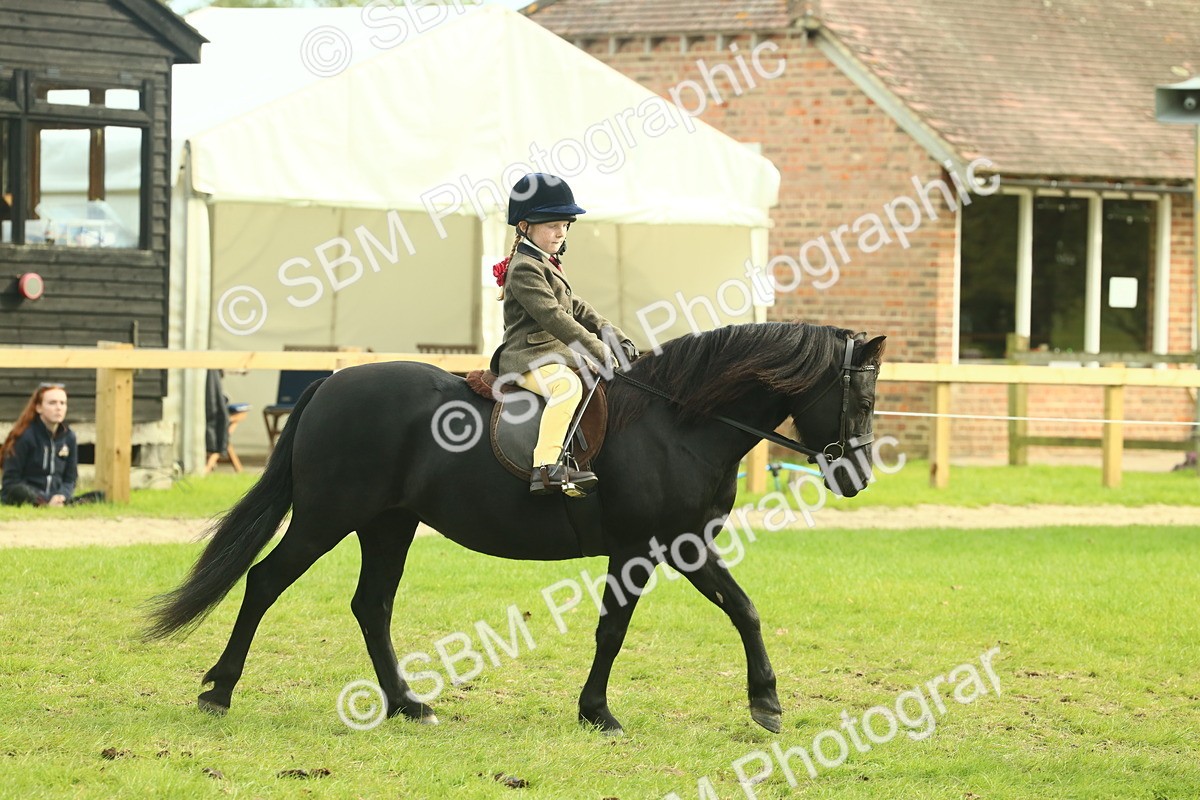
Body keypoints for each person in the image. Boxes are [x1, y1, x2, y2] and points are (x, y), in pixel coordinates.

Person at [490, 173, 639, 497]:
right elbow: (554, 316)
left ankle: (579, 459)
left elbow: (576, 307)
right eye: (552, 225)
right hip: (527, 357)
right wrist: (598, 348)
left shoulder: (547, 262)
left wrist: (613, 334)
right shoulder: (524, 268)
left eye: (565, 225)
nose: (561, 232)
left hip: (554, 354)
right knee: (567, 386)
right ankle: (546, 468)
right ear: (525, 226)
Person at [0, 383, 104, 507]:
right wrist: (44, 499)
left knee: (99, 496)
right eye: (52, 403)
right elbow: (11, 481)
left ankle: (62, 503)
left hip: (56, 495)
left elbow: (70, 478)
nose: (58, 407)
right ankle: (50, 504)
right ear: (39, 407)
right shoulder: (25, 435)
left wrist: (62, 495)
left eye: (62, 403)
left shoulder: (69, 437)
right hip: (28, 494)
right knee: (16, 490)